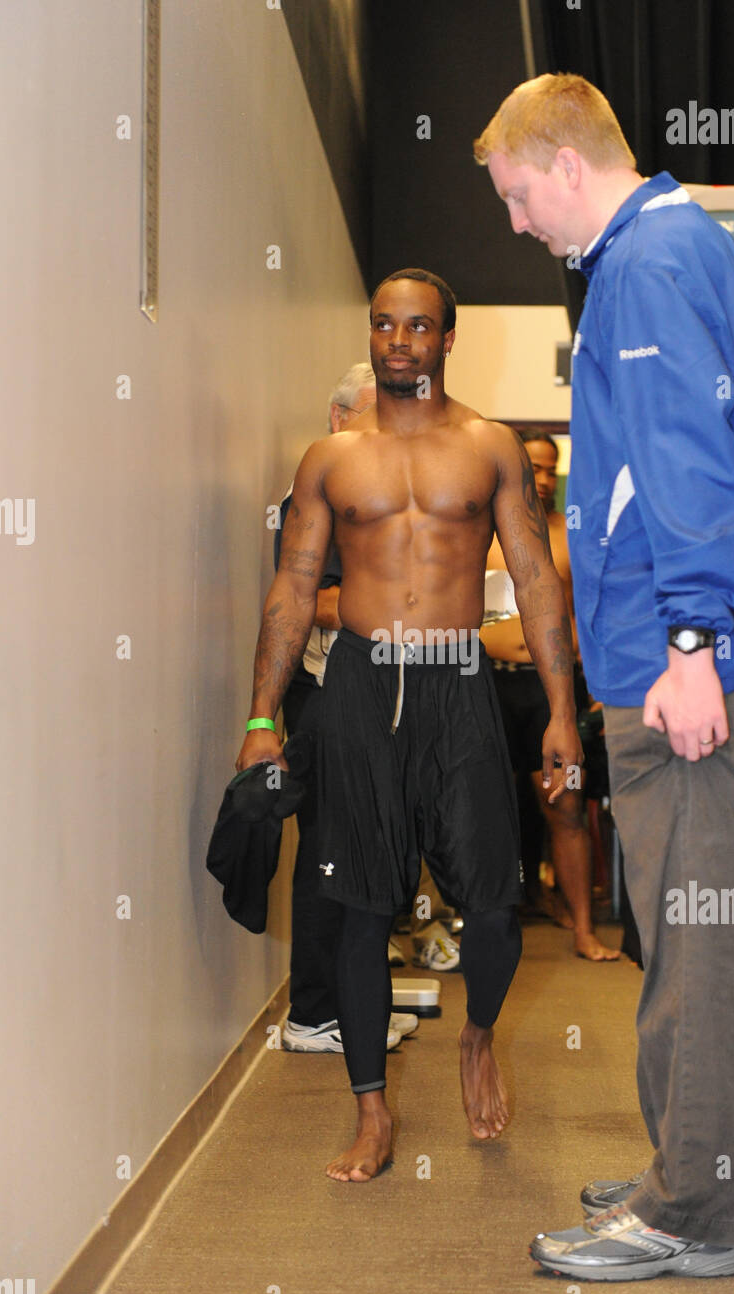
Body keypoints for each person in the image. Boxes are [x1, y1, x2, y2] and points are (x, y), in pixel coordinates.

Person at [476, 73, 734, 1279]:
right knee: (715, 927)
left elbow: (690, 468)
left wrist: (686, 645)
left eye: (519, 196)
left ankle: (685, 1216)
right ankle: (714, 1183)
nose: (519, 224)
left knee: (692, 937)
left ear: (565, 165)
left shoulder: (640, 267)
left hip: (697, 663)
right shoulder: (687, 250)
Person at [236, 268, 581, 1182]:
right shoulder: (331, 460)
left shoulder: (492, 447)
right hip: (359, 686)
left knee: (497, 906)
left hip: (457, 682)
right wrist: (263, 715)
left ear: (446, 339)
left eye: (417, 327)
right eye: (385, 326)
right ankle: (372, 1111)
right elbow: (292, 591)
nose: (399, 341)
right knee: (356, 908)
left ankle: (476, 1038)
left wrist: (558, 710)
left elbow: (538, 580)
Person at [276, 363, 418, 1056]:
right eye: (375, 410)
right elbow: (315, 602)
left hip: (372, 698)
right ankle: (313, 1012)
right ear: (338, 420)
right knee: (327, 854)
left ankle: (348, 999)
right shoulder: (313, 499)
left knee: (362, 850)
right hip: (324, 697)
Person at [481, 429, 618, 960]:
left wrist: (597, 684)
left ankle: (584, 929)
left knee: (564, 803)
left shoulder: (571, 537)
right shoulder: (477, 530)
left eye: (547, 468)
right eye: (530, 466)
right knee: (481, 806)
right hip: (483, 680)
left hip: (551, 686)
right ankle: (485, 923)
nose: (539, 477)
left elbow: (594, 615)